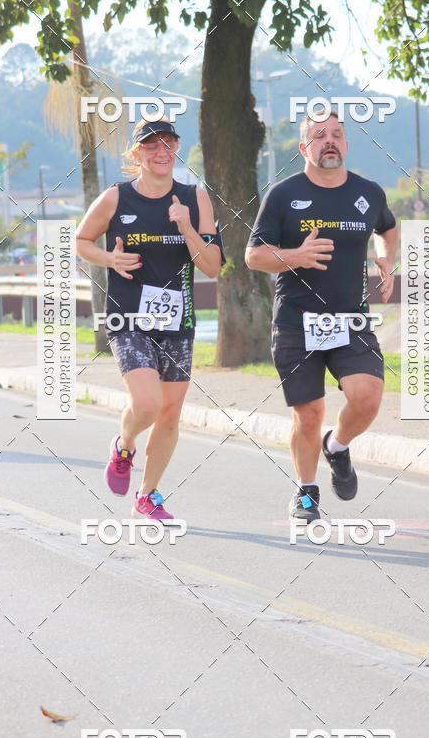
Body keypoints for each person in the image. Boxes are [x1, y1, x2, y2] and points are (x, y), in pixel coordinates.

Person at [245, 111, 397, 522]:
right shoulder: (282, 195)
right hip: (297, 322)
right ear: (303, 148)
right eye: (318, 136)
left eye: (336, 135)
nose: (328, 141)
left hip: (350, 319)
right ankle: (307, 490)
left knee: (367, 396)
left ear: (346, 145)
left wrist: (387, 261)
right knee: (308, 414)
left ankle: (338, 445)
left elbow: (388, 228)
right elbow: (253, 256)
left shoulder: (368, 193)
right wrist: (295, 257)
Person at [76, 117, 223, 520]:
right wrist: (109, 258)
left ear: (176, 149)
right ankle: (124, 446)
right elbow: (81, 240)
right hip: (129, 318)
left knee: (170, 414)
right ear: (136, 153)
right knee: (147, 403)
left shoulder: (195, 198)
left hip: (179, 320)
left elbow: (212, 266)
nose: (161, 152)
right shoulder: (115, 198)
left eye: (168, 144)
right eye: (152, 145)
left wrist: (187, 227)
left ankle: (148, 494)